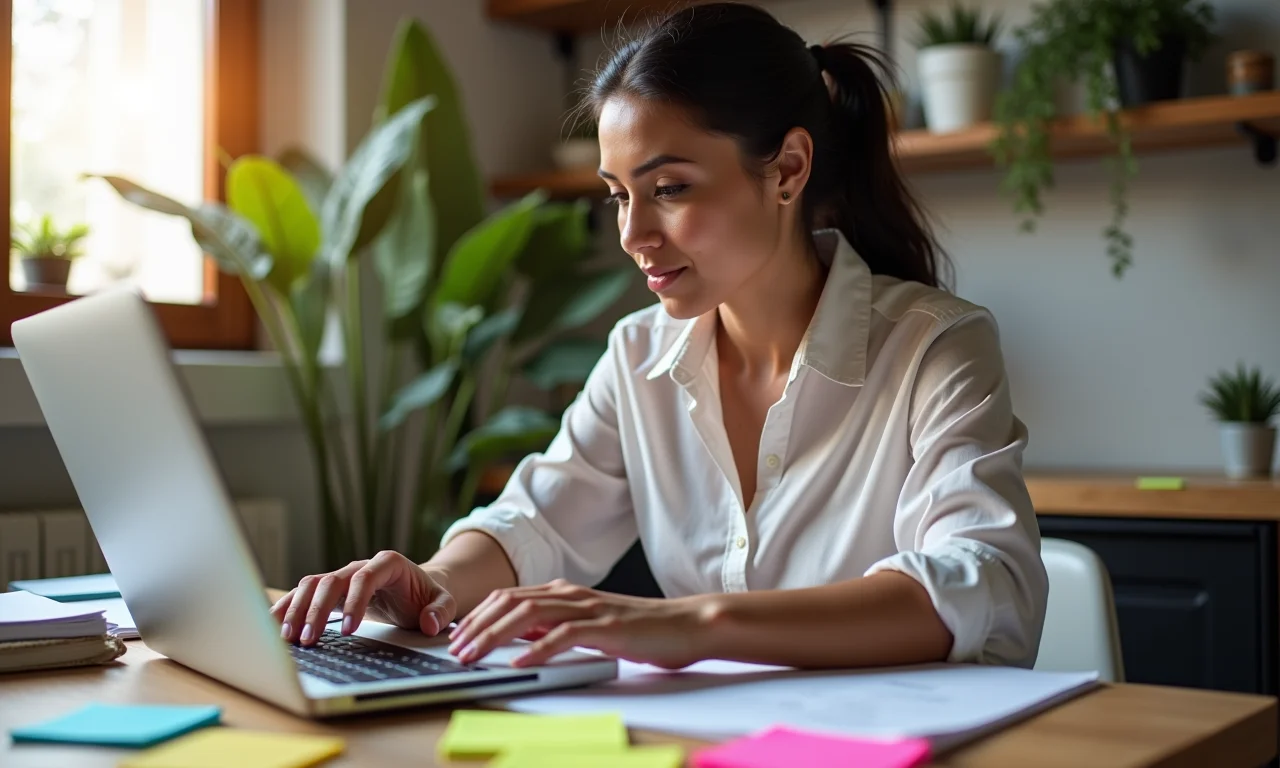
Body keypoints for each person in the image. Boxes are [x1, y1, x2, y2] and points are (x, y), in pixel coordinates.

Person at [272, 2, 1048, 672]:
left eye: (669, 189)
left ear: (786, 169)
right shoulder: (639, 356)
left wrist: (690, 623)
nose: (634, 234)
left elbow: (979, 580)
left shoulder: (936, 348)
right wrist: (433, 582)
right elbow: (535, 525)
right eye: (618, 195)